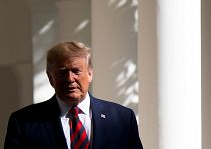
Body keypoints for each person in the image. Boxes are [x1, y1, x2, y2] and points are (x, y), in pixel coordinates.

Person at [4, 41, 143, 149]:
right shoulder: (24, 122)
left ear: (90, 74)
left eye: (76, 71)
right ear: (50, 77)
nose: (70, 79)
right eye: (62, 72)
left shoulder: (122, 118)